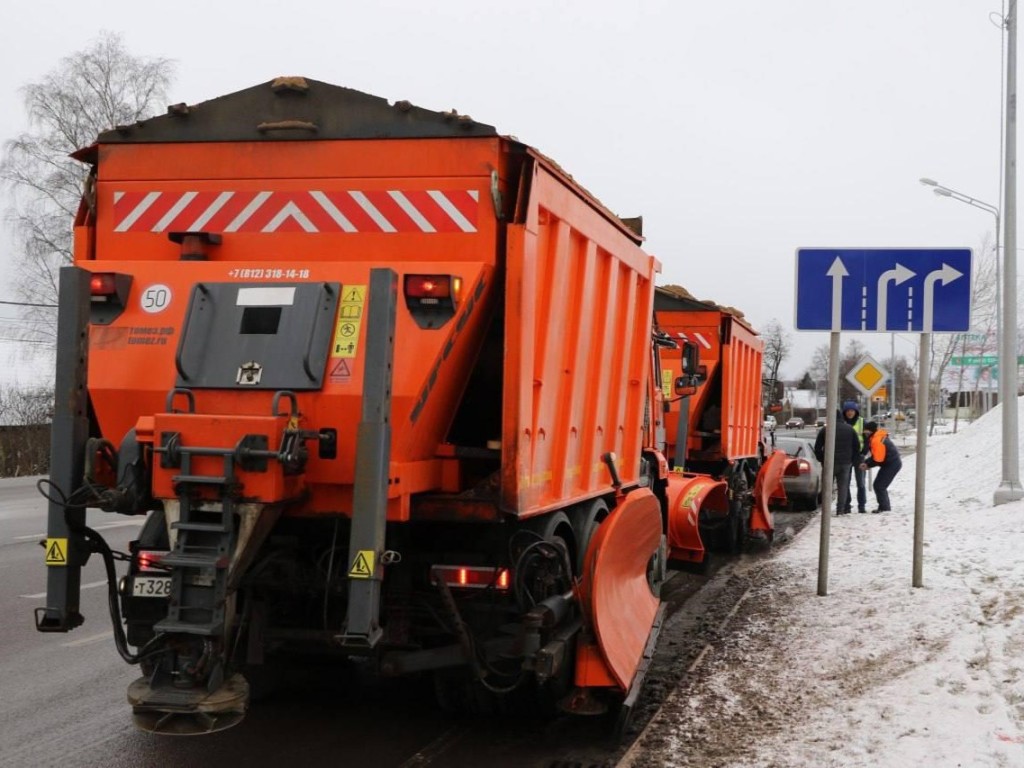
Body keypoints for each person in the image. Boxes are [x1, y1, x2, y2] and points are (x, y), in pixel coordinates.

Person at [814, 410, 862, 516]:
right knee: (843, 487)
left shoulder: (825, 430)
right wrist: (852, 460)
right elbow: (857, 447)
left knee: (827, 486)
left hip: (829, 462)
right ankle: (840, 509)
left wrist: (822, 459)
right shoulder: (850, 429)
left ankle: (826, 510)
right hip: (845, 463)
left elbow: (817, 448)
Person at [859, 420, 902, 512]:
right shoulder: (876, 437)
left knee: (879, 486)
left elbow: (878, 459)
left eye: (866, 431)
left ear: (871, 431)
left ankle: (885, 508)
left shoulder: (876, 440)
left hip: (892, 464)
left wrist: (867, 465)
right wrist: (867, 462)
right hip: (890, 463)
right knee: (879, 485)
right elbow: (876, 456)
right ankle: (884, 507)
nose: (865, 433)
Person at [842, 400, 868, 514]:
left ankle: (861, 506)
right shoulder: (842, 423)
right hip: (846, 456)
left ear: (856, 411)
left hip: (859, 456)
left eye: (852, 410)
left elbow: (867, 440)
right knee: (845, 482)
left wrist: (864, 452)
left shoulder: (862, 422)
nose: (850, 413)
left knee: (860, 483)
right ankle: (847, 505)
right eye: (847, 411)